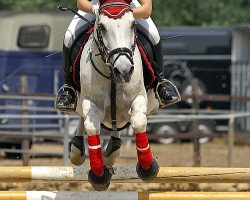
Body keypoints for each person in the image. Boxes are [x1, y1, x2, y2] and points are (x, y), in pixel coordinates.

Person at [55, 0, 180, 111]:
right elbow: (81, 3)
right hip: (98, 7)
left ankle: (161, 83)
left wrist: (123, 14)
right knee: (68, 36)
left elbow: (146, 9)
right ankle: (69, 89)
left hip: (129, 8)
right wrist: (96, 10)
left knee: (154, 34)